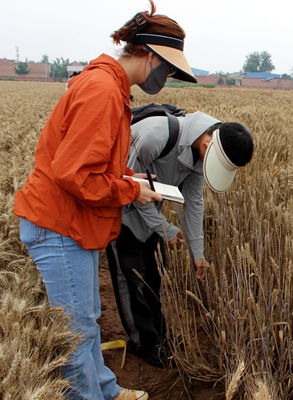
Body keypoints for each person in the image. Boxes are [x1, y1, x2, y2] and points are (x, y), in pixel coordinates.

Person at [13, 1, 197, 399]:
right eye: (166, 69)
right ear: (147, 54)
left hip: (69, 221)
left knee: (88, 321)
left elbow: (89, 165)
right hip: (59, 224)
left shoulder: (109, 85)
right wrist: (131, 189)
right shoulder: (102, 91)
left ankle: (108, 392)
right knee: (77, 333)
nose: (165, 80)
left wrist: (128, 178)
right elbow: (74, 174)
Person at [105, 112, 254, 368]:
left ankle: (160, 336)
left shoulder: (199, 156)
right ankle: (144, 343)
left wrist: (198, 254)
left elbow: (193, 205)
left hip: (151, 218)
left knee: (153, 277)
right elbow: (129, 188)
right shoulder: (155, 138)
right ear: (208, 145)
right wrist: (166, 229)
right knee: (130, 282)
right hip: (120, 217)